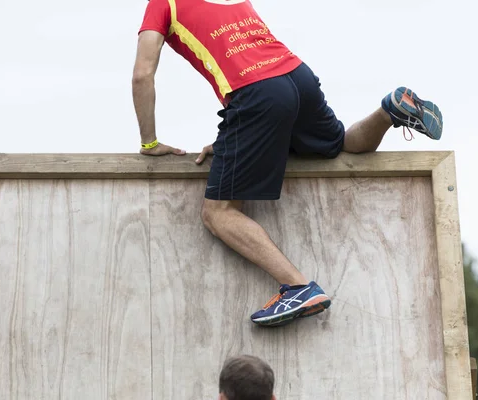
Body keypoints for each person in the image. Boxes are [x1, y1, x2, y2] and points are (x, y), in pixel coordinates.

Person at [132, 0, 443, 327]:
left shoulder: (163, 4)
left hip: (257, 94)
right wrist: (232, 143)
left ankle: (297, 287)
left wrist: (149, 143)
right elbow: (245, 55)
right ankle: (390, 111)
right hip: (296, 75)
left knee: (218, 212)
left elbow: (142, 76)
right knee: (340, 145)